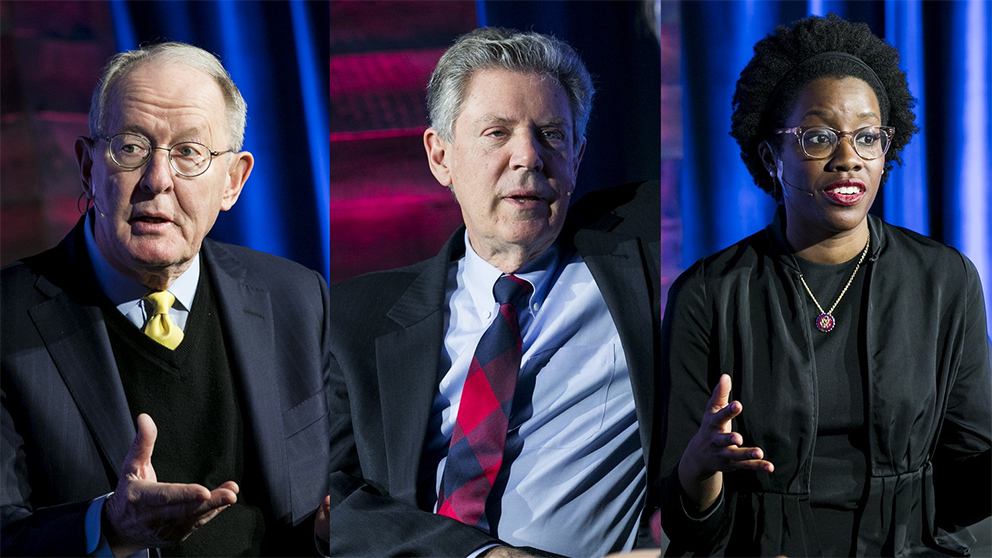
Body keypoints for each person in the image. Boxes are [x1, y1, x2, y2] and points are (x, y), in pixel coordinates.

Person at [656, 14, 992, 557]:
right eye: (817, 137)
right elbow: (687, 523)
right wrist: (701, 465)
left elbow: (962, 493)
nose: (847, 159)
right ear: (771, 157)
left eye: (867, 137)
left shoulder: (944, 280)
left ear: (887, 151)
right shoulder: (708, 293)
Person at [322, 27, 661, 558]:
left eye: (551, 133)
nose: (528, 156)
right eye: (497, 133)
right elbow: (328, 502)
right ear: (441, 158)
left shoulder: (643, 252)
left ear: (577, 155)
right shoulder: (355, 319)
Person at [0, 42, 331, 556]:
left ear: (234, 181)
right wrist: (108, 527)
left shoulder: (296, 299)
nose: (158, 180)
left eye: (189, 153)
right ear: (88, 167)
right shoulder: (6, 319)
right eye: (131, 148)